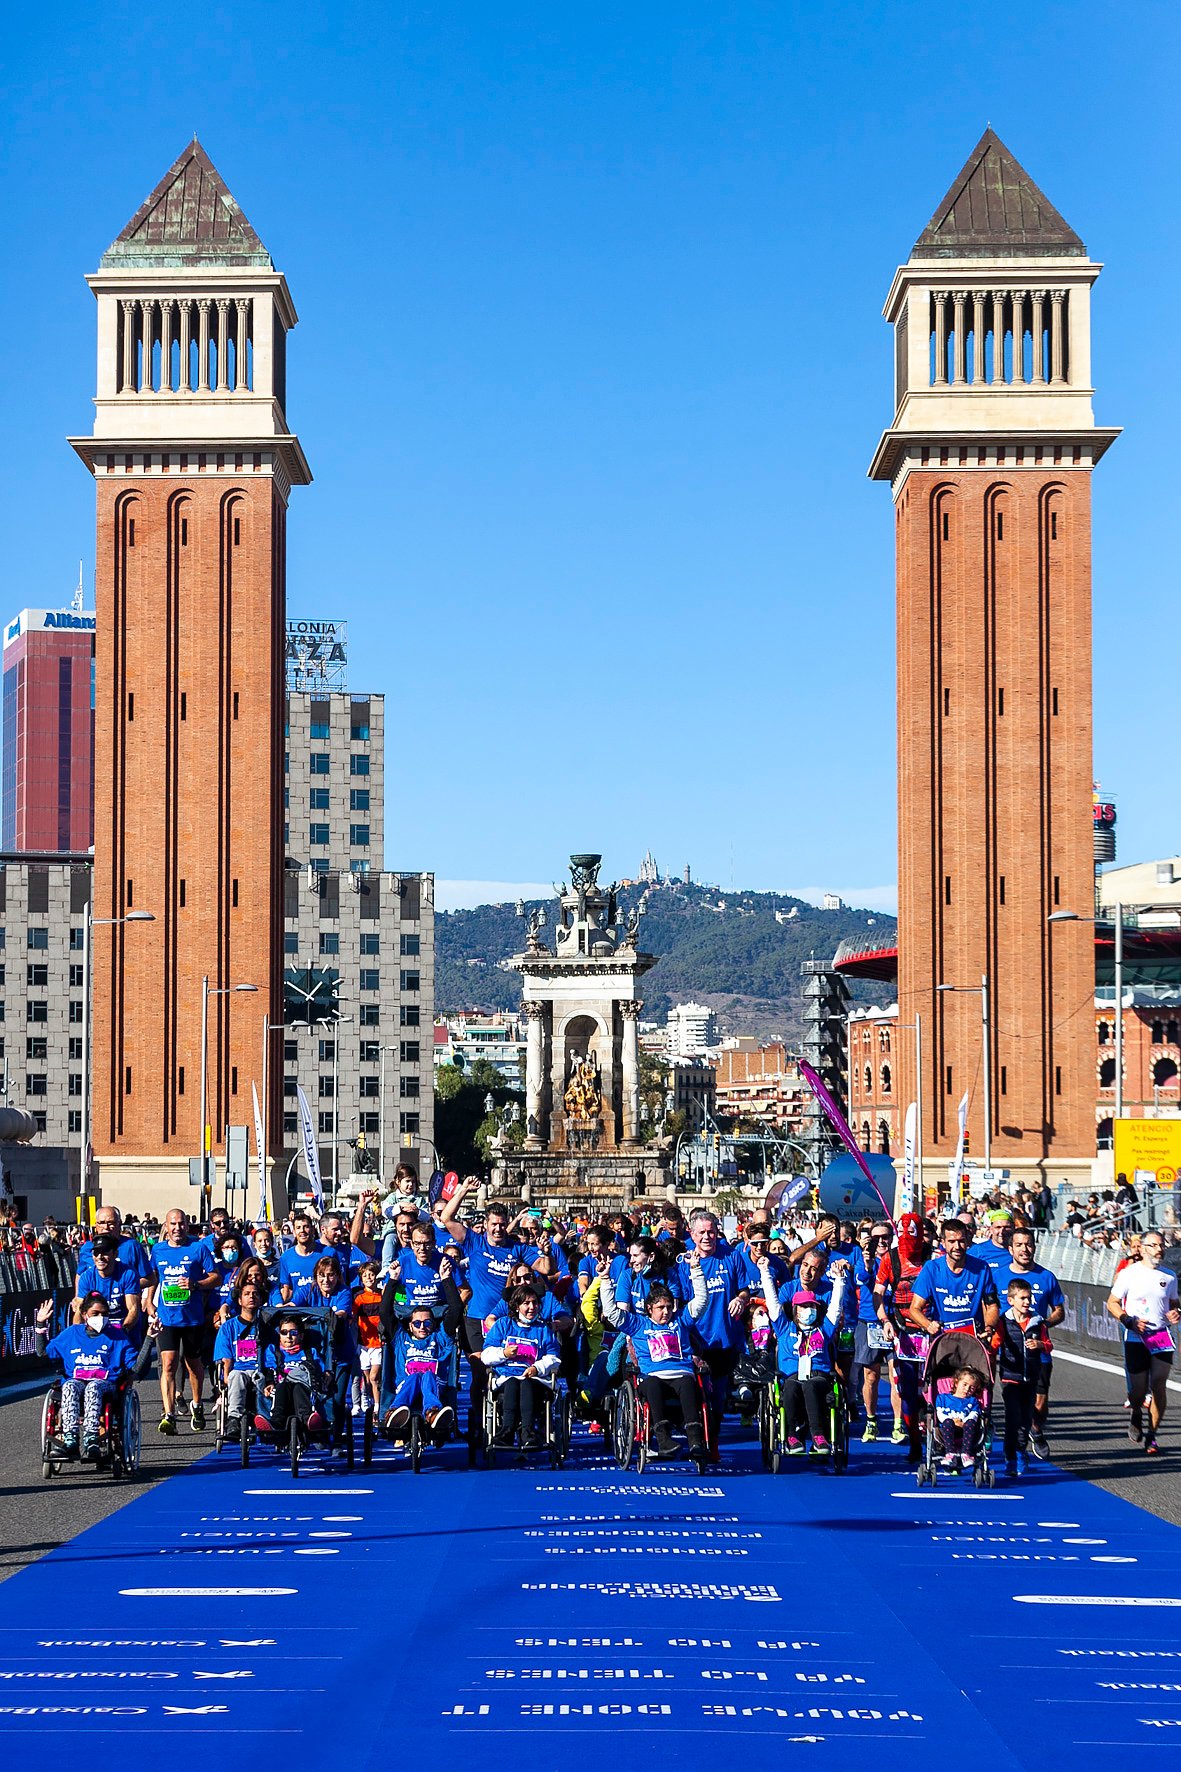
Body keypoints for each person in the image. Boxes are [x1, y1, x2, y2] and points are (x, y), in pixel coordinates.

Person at [599, 1253, 709, 1458]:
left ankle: (695, 1441)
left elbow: (701, 1301)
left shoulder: (681, 1320)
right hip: (652, 1375)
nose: (666, 1312)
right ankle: (663, 1439)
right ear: (649, 1309)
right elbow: (612, 1313)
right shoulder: (639, 1324)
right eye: (660, 1308)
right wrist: (605, 1280)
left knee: (688, 1383)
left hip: (681, 1372)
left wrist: (696, 1268)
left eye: (668, 1307)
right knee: (652, 1385)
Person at [437, 1178, 527, 1387]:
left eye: (502, 1224)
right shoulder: (474, 1242)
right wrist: (464, 1190)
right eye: (493, 1224)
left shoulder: (517, 1248)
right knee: (480, 1373)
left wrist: (548, 1253)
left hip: (507, 1319)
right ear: (485, 1224)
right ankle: (478, 1418)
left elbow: (545, 1268)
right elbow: (446, 1217)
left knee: (509, 1370)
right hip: (476, 1319)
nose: (498, 1229)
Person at [676, 1212, 749, 1458]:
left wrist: (740, 1299)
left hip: (724, 1339)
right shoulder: (684, 1262)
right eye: (702, 1232)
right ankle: (696, 1440)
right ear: (692, 1234)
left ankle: (713, 1441)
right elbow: (678, 1302)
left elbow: (745, 1290)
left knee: (717, 1398)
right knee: (694, 1395)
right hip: (694, 1340)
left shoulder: (732, 1256)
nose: (708, 1237)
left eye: (711, 1232)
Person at [35, 1291, 136, 1461]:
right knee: (69, 1386)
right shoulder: (72, 1333)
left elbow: (136, 1365)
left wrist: (149, 1338)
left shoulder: (118, 1336)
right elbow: (42, 1352)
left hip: (105, 1384)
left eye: (104, 1314)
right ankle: (70, 1440)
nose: (100, 1317)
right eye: (95, 1314)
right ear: (84, 1315)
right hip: (76, 1382)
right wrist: (40, 1323)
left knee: (93, 1387)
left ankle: (91, 1440)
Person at [146, 1208, 220, 1435]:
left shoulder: (198, 1248)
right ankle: (169, 1414)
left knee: (193, 1365)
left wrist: (195, 1284)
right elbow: (152, 1278)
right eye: (173, 1224)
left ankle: (196, 1404)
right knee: (168, 1364)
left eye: (181, 1224)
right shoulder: (158, 1250)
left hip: (193, 1318)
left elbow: (216, 1277)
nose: (177, 1228)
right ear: (166, 1227)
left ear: (187, 1226)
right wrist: (149, 1301)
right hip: (167, 1318)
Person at [1106, 1230, 1181, 1455]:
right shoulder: (1129, 1274)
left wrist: (1177, 1312)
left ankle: (1152, 1435)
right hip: (1136, 1336)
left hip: (1160, 1335)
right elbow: (1112, 1302)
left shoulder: (1169, 1276)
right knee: (1138, 1391)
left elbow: (1175, 1303)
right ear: (1144, 1248)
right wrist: (1128, 1320)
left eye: (1162, 1246)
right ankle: (1136, 1411)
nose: (1160, 1249)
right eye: (1155, 1245)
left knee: (1159, 1385)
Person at [759, 1265, 842, 1455]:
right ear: (795, 1310)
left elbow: (836, 1308)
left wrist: (839, 1280)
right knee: (791, 1386)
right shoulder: (784, 1328)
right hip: (792, 1377)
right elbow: (772, 1303)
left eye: (811, 1306)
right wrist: (765, 1273)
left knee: (810, 1385)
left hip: (818, 1377)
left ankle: (818, 1436)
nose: (808, 1310)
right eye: (803, 1307)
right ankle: (792, 1436)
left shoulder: (824, 1330)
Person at [1002, 1227, 1065, 1457]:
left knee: (1039, 1403)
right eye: (1019, 1245)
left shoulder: (1046, 1276)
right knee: (1015, 1403)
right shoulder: (998, 1275)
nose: (1024, 1249)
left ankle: (1036, 1430)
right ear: (1010, 1249)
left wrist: (1044, 1325)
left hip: (1038, 1351)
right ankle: (1017, 1448)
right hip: (1009, 1352)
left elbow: (1059, 1310)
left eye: (1028, 1244)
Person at [873, 1212, 931, 1460]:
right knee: (906, 1388)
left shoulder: (933, 1257)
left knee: (933, 1387)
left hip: (930, 1328)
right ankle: (915, 1441)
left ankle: (939, 1434)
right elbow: (878, 1292)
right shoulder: (890, 1259)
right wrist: (884, 1320)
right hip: (902, 1330)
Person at [382, 1262, 463, 1441]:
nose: (422, 1327)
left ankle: (433, 1413)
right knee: (416, 1376)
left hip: (434, 1386)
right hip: (406, 1386)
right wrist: (393, 1279)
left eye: (427, 1323)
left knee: (426, 1376)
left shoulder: (440, 1338)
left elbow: (456, 1309)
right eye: (417, 1323)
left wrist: (446, 1278)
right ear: (410, 1326)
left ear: (433, 1324)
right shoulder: (402, 1338)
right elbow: (385, 1313)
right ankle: (395, 1412)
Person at [481, 1285, 561, 1454]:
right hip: (506, 1378)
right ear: (517, 1306)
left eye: (534, 1303)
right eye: (526, 1303)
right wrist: (503, 1353)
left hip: (535, 1381)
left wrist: (537, 1368)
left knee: (526, 1384)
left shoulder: (543, 1329)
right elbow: (486, 1355)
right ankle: (507, 1431)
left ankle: (528, 1432)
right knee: (512, 1383)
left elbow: (554, 1358)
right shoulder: (503, 1325)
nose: (531, 1307)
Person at [995, 1277, 1052, 1476]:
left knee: (1026, 1419)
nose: (1027, 1302)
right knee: (1013, 1418)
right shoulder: (1004, 1321)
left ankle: (1021, 1450)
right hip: (1010, 1377)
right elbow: (996, 1342)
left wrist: (1040, 1346)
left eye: (1029, 1298)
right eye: (1022, 1298)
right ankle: (1011, 1456)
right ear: (1011, 1300)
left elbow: (1049, 1344)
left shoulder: (1037, 1322)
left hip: (1031, 1378)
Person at [908, 1220, 1000, 1337]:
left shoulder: (982, 1268)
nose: (957, 1247)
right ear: (943, 1242)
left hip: (972, 1339)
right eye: (951, 1241)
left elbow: (992, 1305)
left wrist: (989, 1328)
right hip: (943, 1338)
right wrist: (928, 1325)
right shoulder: (932, 1268)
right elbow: (914, 1309)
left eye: (961, 1241)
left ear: (967, 1241)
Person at [258, 1315, 329, 1437]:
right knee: (282, 1387)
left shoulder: (310, 1352)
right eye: (284, 1332)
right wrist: (269, 1383)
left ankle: (307, 1420)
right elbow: (270, 1369)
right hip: (281, 1386)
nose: (288, 1336)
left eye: (293, 1332)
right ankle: (276, 1423)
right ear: (279, 1335)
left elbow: (320, 1370)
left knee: (298, 1388)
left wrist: (327, 1375)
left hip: (304, 1386)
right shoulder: (273, 1350)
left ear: (301, 1335)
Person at [212, 1274, 265, 1438]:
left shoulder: (266, 1326)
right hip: (238, 1370)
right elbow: (225, 1357)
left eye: (255, 1294)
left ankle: (265, 1418)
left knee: (265, 1377)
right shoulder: (228, 1327)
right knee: (235, 1376)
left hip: (260, 1369)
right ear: (240, 1300)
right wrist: (226, 1375)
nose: (251, 1297)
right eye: (247, 1294)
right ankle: (233, 1419)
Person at [72, 1234, 143, 1344]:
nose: (100, 1257)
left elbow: (133, 1310)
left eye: (105, 1252)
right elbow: (80, 1311)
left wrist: (121, 1332)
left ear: (115, 1254)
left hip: (124, 1334)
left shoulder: (128, 1274)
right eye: (96, 1253)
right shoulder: (87, 1277)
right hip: (97, 1336)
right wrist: (78, 1337)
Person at [935, 1369, 985, 1473]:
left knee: (971, 1422)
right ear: (956, 1383)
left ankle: (966, 1454)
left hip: (966, 1429)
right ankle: (950, 1454)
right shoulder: (942, 1398)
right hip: (947, 1428)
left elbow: (974, 1415)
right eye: (965, 1384)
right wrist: (953, 1421)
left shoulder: (973, 1401)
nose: (967, 1389)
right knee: (947, 1422)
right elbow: (939, 1414)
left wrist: (964, 1422)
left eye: (972, 1388)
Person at [352, 1259, 385, 1416]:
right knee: (366, 1377)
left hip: (378, 1343)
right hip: (364, 1344)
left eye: (372, 1275)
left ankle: (378, 1406)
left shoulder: (382, 1295)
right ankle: (367, 1397)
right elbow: (351, 1317)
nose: (369, 1278)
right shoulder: (359, 1298)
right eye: (365, 1276)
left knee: (374, 1377)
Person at [278, 1213, 323, 1298]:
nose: (302, 1230)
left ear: (313, 1230)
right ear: (294, 1232)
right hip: (298, 1308)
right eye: (298, 1228)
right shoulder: (286, 1257)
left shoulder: (327, 1253)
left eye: (306, 1227)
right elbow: (288, 1289)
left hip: (322, 1308)